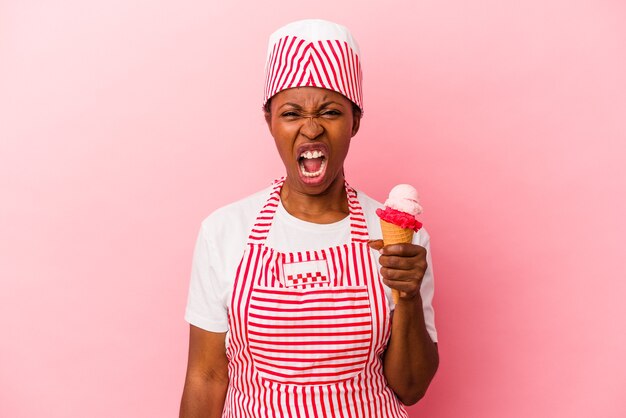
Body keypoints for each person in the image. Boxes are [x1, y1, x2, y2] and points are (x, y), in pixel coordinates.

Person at [180, 19, 439, 418]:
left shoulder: (399, 239)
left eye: (331, 111)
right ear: (269, 122)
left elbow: (411, 389)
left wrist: (407, 295)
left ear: (355, 122)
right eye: (291, 113)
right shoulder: (224, 231)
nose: (312, 128)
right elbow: (207, 375)